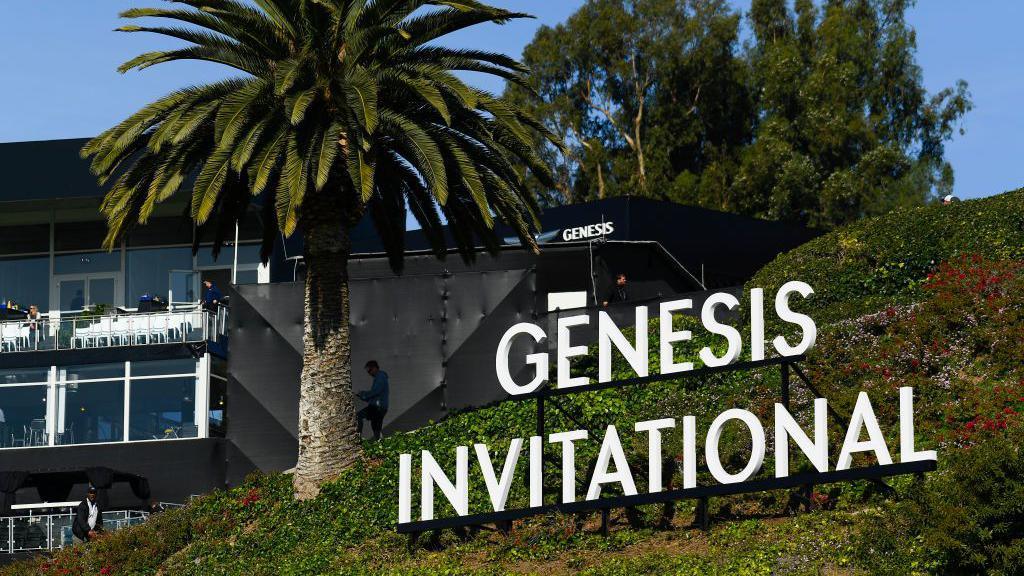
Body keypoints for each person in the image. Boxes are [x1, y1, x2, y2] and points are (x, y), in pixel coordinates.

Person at [357, 360, 389, 440]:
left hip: (377, 407)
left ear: (374, 368)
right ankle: (379, 443)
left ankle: (358, 438)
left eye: (369, 370)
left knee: (358, 416)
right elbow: (376, 394)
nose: (369, 373)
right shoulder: (380, 377)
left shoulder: (380, 376)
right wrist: (364, 395)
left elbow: (376, 391)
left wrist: (364, 395)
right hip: (380, 406)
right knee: (376, 427)